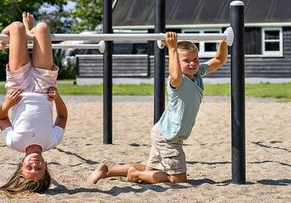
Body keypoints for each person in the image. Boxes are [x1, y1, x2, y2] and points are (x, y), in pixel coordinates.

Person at [88, 32, 228, 184]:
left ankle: (107, 171)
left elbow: (220, 59)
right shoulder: (177, 82)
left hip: (163, 132)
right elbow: (175, 75)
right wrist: (172, 48)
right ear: (176, 61)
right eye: (186, 60)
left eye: (195, 59)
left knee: (150, 170)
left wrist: (223, 40)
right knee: (177, 179)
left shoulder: (198, 73)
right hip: (169, 137)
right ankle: (135, 175)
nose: (192, 63)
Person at [0, 12, 68, 196]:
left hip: (19, 87)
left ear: (21, 165)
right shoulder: (52, 140)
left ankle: (8, 38)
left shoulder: (14, 142)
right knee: (43, 28)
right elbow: (62, 116)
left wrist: (8, 103)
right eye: (39, 170)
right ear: (46, 166)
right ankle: (30, 31)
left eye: (30, 169)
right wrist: (57, 97)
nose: (34, 166)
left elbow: (1, 117)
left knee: (15, 27)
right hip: (44, 86)